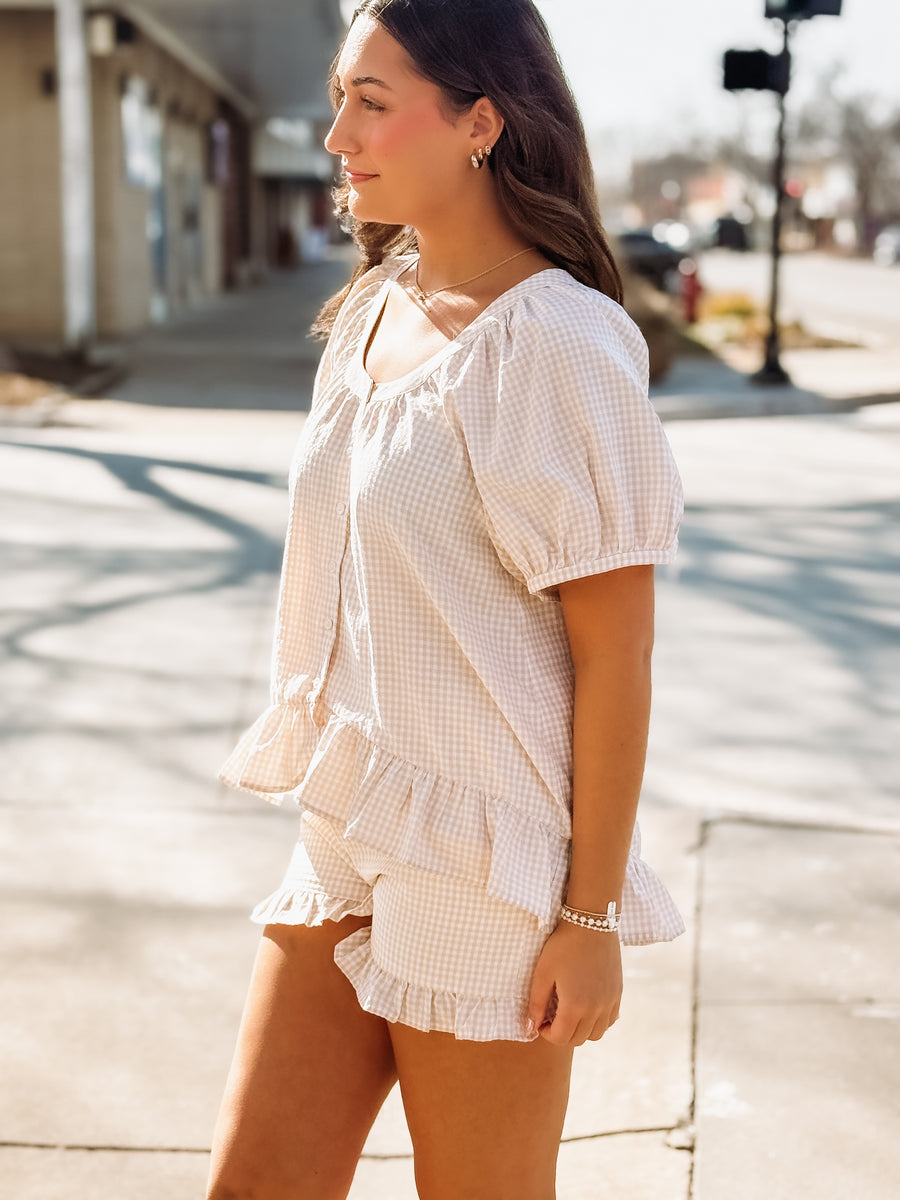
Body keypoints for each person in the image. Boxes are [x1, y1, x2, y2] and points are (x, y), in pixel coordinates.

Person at [207, 2, 684, 1197]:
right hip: (355, 816)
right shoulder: (372, 313)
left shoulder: (561, 346)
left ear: (481, 120)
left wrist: (592, 921)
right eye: (338, 97)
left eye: (372, 101)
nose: (336, 137)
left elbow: (616, 658)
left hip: (490, 867)